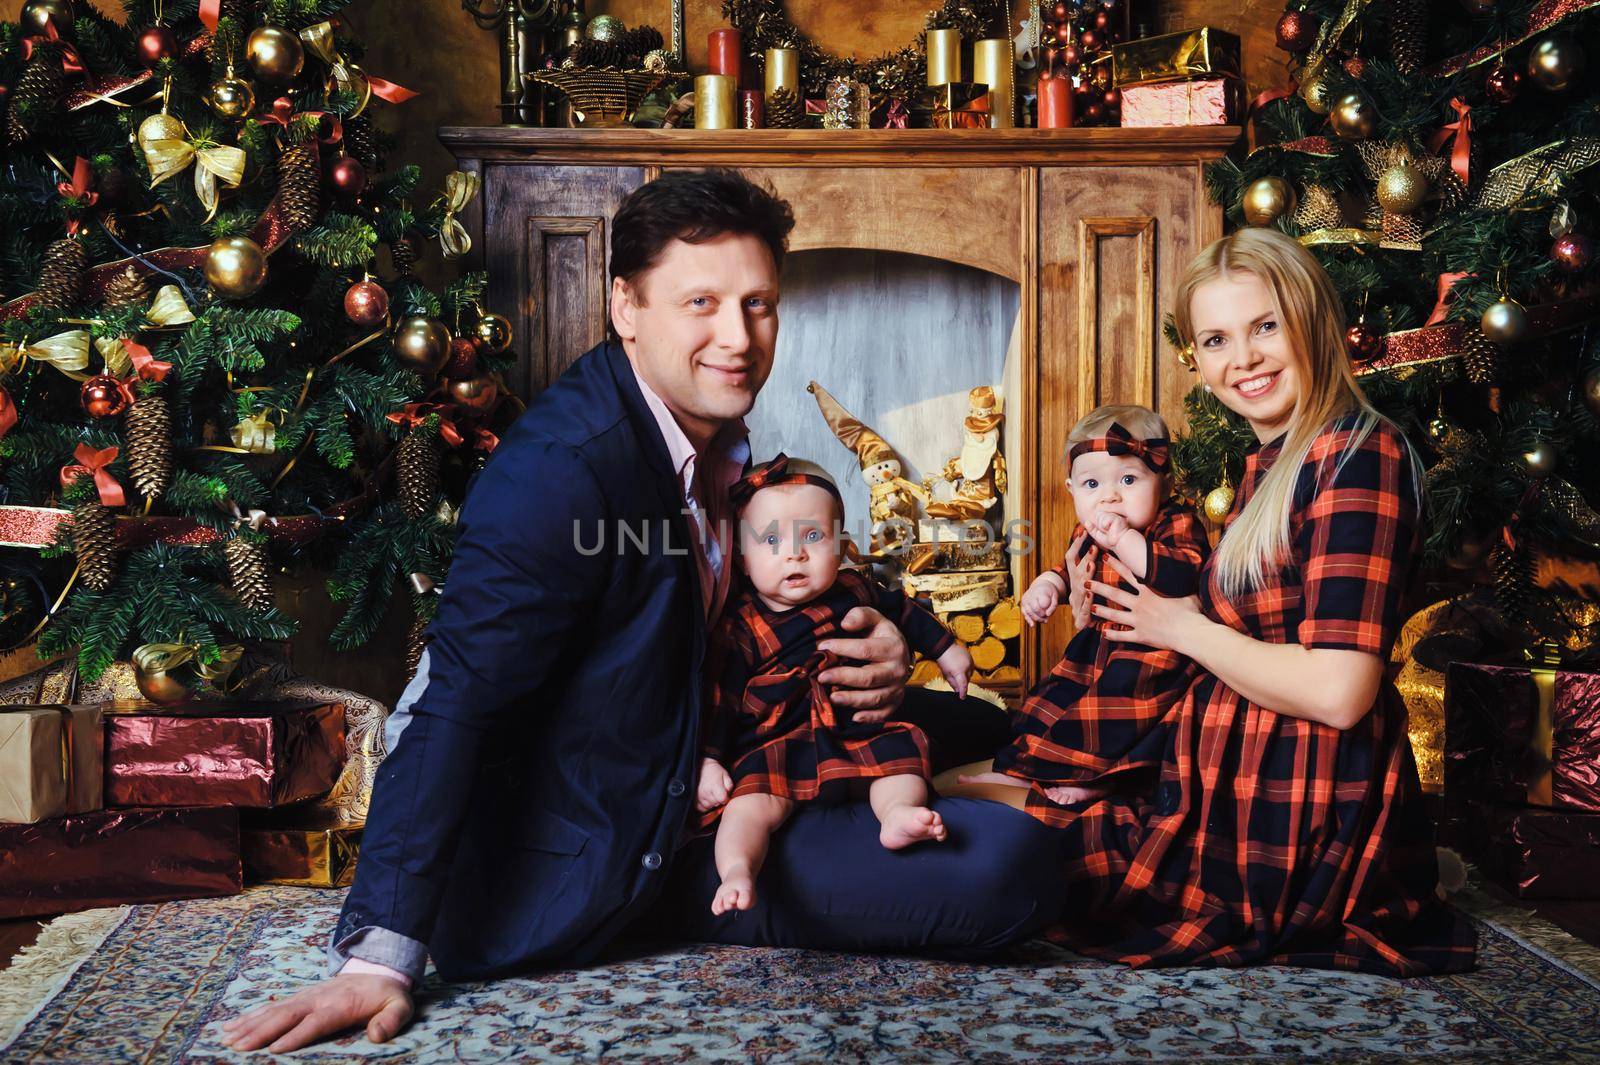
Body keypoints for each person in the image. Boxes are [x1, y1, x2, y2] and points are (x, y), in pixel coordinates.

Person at [222, 169, 1059, 1054]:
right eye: (700, 302)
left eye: (759, 304)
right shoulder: (562, 471)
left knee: (969, 719)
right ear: (626, 305)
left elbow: (751, 592)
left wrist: (884, 636)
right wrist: (380, 958)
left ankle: (921, 786)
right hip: (632, 830)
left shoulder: (709, 436)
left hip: (713, 730)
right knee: (1016, 866)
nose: (737, 337)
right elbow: (451, 701)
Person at [1048, 227, 1476, 975]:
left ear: (1310, 321)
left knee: (1007, 851)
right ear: (1198, 360)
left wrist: (1180, 628)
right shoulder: (1273, 463)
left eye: (1265, 327)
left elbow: (1341, 691)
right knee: (987, 780)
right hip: (1226, 778)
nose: (1241, 358)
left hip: (1294, 813)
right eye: (1216, 338)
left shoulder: (1357, 457)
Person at [698, 456, 975, 915]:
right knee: (748, 807)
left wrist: (947, 650)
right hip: (778, 742)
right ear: (743, 560)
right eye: (771, 540)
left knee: (902, 757)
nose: (795, 553)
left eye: (813, 536)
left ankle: (897, 816)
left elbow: (905, 611)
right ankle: (736, 871)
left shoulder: (855, 590)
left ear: (842, 546)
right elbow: (721, 698)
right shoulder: (741, 625)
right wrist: (709, 761)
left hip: (854, 730)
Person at [954, 405, 1209, 818]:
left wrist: (1125, 539)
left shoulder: (1174, 522)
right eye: (1092, 483)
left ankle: (1090, 781)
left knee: (1112, 717)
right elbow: (1068, 569)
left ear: (1163, 483)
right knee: (1051, 699)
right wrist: (1047, 586)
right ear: (1071, 489)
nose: (1109, 496)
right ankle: (1024, 770)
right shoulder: (1089, 531)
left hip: (1152, 654)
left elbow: (1182, 575)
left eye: (1129, 480)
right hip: (1096, 645)